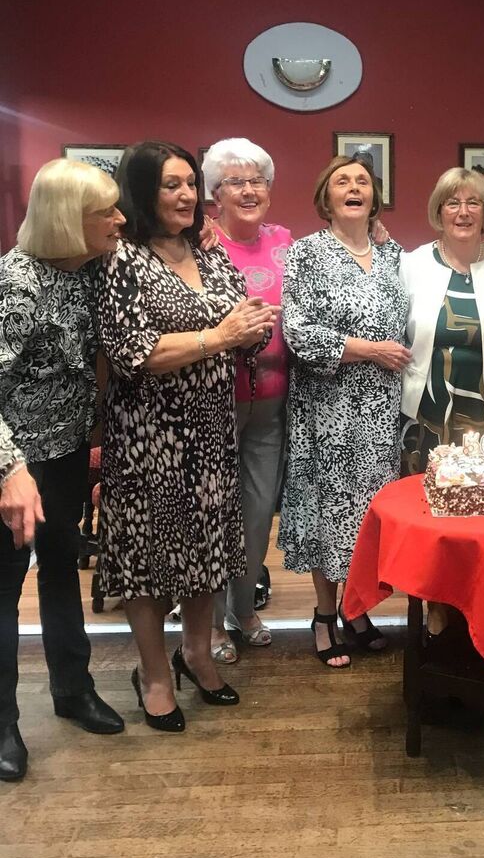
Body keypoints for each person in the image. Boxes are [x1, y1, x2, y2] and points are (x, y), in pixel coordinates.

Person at [97, 141, 278, 731]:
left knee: (205, 553)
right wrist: (221, 337)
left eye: (190, 184)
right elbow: (132, 353)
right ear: (143, 191)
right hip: (150, 437)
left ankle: (196, 653)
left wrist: (251, 328)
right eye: (170, 185)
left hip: (210, 431)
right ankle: (152, 675)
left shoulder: (208, 253)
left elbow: (231, 323)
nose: (185, 196)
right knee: (149, 562)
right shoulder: (123, 260)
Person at [0, 159, 126, 782]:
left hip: (68, 451)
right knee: (3, 591)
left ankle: (71, 691)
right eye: (107, 212)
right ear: (69, 222)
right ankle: (2, 723)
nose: (119, 220)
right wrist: (9, 472)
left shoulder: (87, 271)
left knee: (59, 570)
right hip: (14, 465)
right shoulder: (14, 286)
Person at [279, 154, 409, 667]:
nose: (353, 188)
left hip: (380, 409)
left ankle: (357, 609)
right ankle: (324, 615)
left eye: (362, 182)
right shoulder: (305, 254)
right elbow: (299, 333)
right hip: (327, 406)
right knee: (329, 510)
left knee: (367, 512)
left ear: (374, 198)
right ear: (325, 198)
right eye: (342, 182)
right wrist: (369, 349)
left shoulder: (392, 254)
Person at [399, 167, 484, 635]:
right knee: (429, 522)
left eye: (474, 203)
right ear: (438, 212)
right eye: (452, 203)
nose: (463, 212)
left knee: (479, 520)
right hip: (424, 415)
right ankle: (433, 607)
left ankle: (477, 609)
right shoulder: (411, 263)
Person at [201, 138, 291, 663]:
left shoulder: (285, 241)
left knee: (257, 514)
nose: (248, 189)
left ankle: (244, 609)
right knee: (215, 514)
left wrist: (374, 229)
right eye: (235, 181)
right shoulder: (200, 245)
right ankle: (210, 623)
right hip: (217, 400)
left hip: (273, 402)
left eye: (257, 180)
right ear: (215, 194)